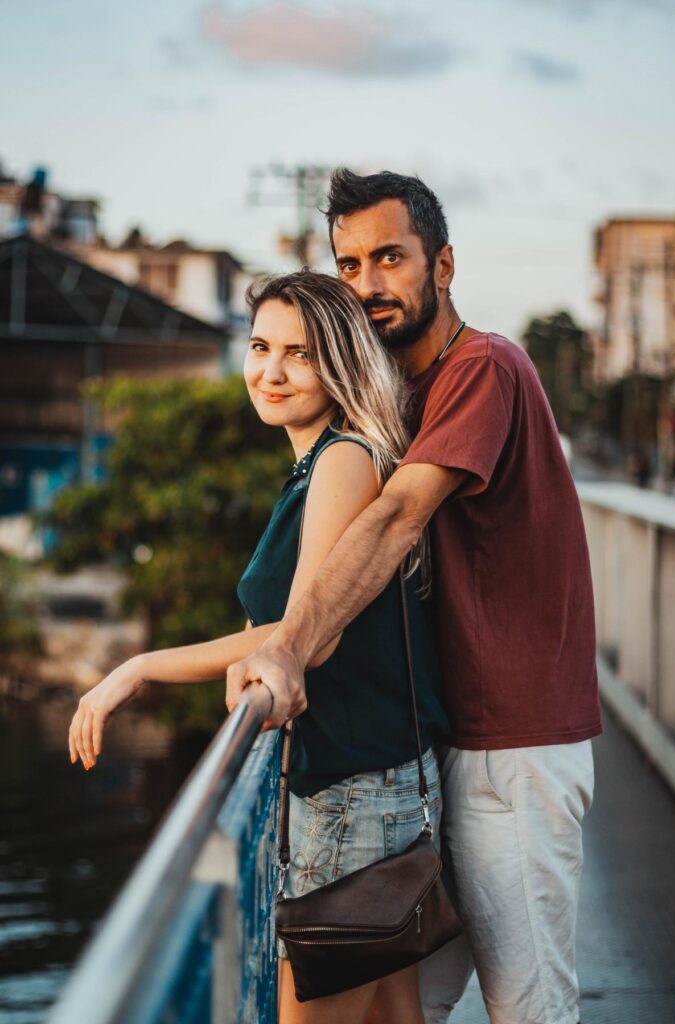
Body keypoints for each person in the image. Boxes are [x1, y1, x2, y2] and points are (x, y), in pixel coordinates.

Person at [227, 170, 603, 1024]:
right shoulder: (399, 398)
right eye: (348, 262)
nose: (366, 284)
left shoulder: (484, 367)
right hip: (436, 749)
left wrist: (287, 644)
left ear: (443, 267)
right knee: (401, 1005)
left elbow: (398, 516)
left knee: (528, 1005)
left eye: (389, 257)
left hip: (513, 743)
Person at [67, 269, 450, 1024]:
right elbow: (274, 630)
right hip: (374, 781)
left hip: (350, 794)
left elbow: (311, 632)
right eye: (259, 347)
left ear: (338, 362)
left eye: (298, 354)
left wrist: (138, 668)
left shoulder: (343, 460)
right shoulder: (317, 464)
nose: (269, 372)